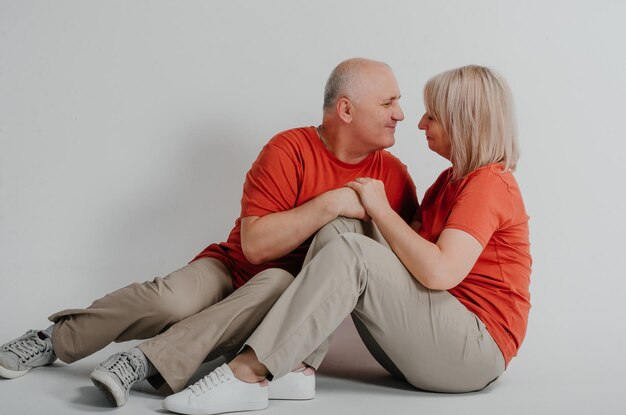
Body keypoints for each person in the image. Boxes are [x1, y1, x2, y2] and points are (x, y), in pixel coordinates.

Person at [0, 58, 418, 407]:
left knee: (278, 281)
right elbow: (254, 247)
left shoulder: (394, 178)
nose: (400, 113)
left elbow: (404, 258)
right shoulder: (288, 150)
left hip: (286, 304)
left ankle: (140, 362)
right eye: (389, 103)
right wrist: (330, 203)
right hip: (230, 268)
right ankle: (52, 339)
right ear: (346, 110)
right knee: (168, 299)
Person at [161, 65, 532, 415]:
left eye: (431, 116)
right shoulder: (448, 182)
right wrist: (355, 212)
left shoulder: (490, 184)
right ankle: (296, 367)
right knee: (342, 227)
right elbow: (405, 262)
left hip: (473, 354)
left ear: (462, 122)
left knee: (356, 252)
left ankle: (247, 373)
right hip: (431, 341)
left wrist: (380, 209)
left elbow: (438, 273)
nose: (418, 123)